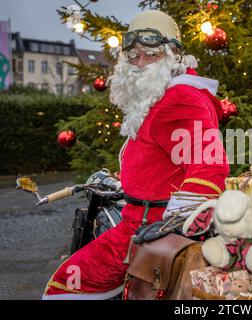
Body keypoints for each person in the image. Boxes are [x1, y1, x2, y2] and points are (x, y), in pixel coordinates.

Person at [42, 10, 229, 300]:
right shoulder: (159, 96)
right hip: (138, 219)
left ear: (173, 56)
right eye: (133, 56)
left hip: (144, 228)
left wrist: (174, 223)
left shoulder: (180, 98)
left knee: (64, 286)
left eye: (150, 55)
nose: (139, 63)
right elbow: (162, 160)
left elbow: (209, 166)